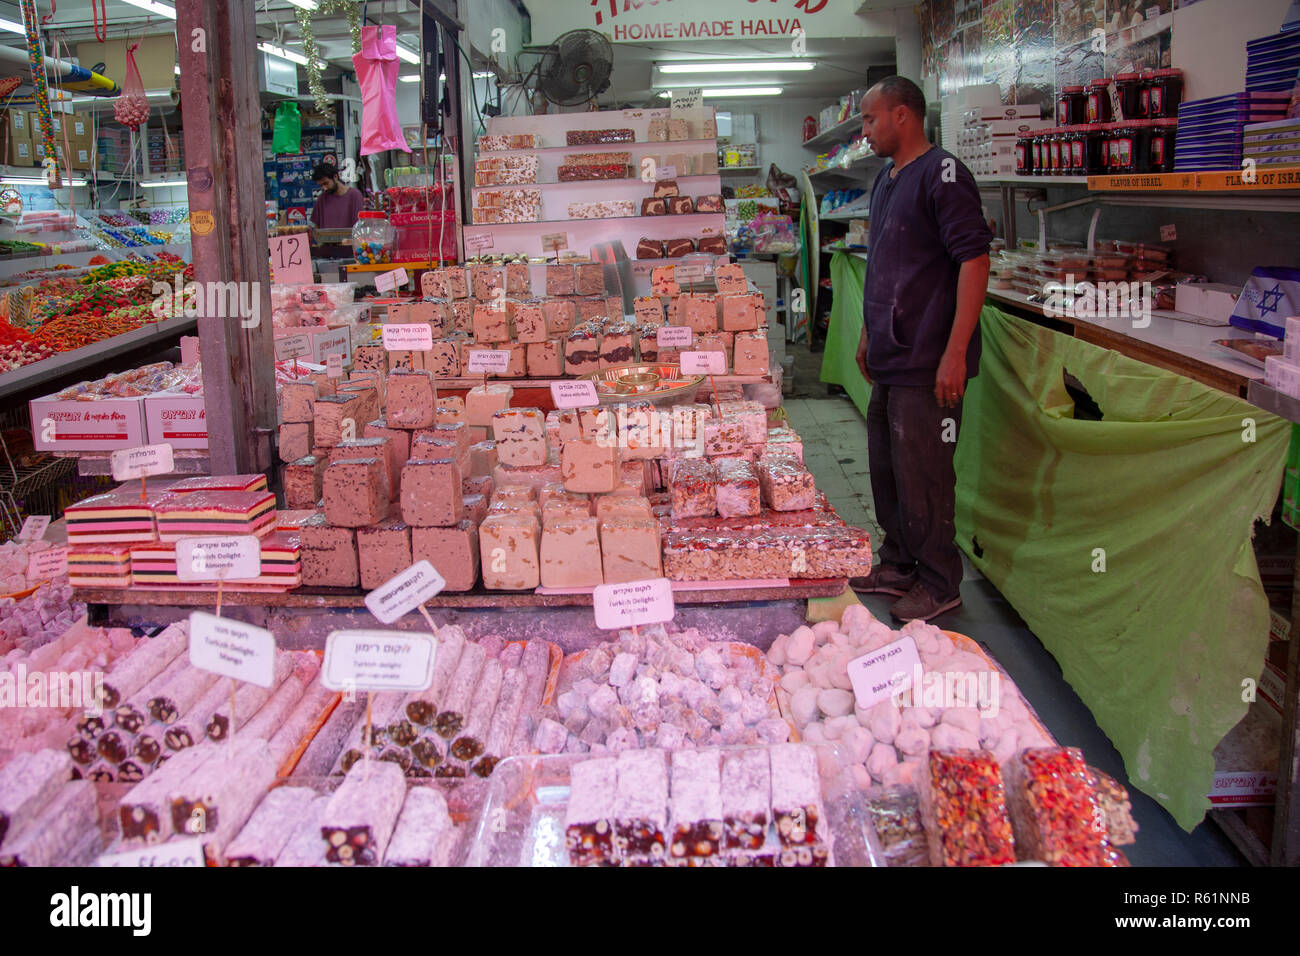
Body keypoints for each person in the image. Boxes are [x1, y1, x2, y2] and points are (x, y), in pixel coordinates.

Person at [850, 75, 992, 622]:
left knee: (926, 474)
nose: (865, 131)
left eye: (869, 119)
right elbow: (885, 262)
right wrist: (867, 330)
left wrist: (955, 353)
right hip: (890, 353)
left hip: (928, 362)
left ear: (903, 115)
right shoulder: (887, 179)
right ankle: (900, 562)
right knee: (887, 468)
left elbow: (974, 261)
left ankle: (939, 581)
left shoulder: (944, 174)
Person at [309, 162, 364, 231]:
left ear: (335, 177)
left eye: (326, 183)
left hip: (349, 240)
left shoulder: (354, 195)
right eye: (321, 186)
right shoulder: (322, 199)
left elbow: (359, 225)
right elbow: (316, 226)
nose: (324, 188)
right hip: (326, 241)